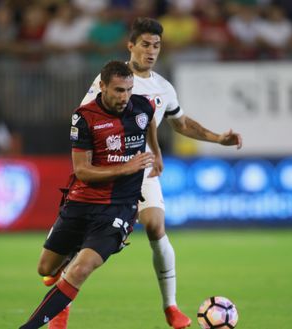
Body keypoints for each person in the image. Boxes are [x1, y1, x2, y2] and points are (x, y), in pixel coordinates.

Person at [46, 17, 242, 329]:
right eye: (145, 45)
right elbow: (87, 119)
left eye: (156, 46)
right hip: (107, 170)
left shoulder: (163, 88)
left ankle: (171, 306)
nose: (151, 51)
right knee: (80, 248)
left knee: (155, 225)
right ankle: (60, 305)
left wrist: (216, 138)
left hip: (139, 170)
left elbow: (175, 122)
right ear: (131, 46)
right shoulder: (108, 80)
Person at [18, 60, 156, 329]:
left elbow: (150, 125)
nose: (124, 97)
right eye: (118, 90)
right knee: (45, 269)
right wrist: (126, 167)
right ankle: (70, 255)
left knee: (81, 270)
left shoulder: (143, 106)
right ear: (102, 86)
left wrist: (157, 155)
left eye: (128, 89)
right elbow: (82, 171)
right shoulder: (84, 117)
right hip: (81, 202)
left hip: (119, 208)